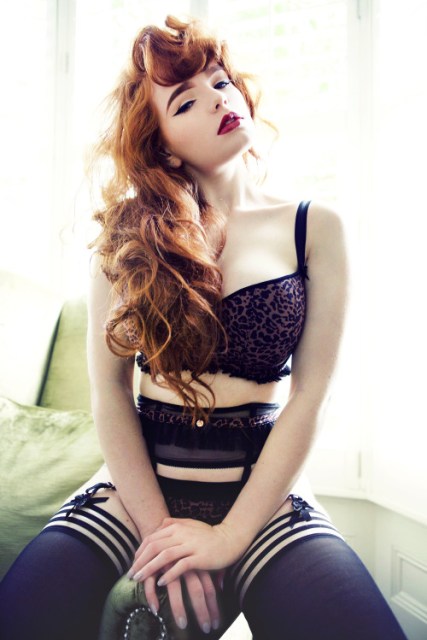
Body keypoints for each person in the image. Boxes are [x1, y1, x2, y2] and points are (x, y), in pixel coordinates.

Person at [0, 15, 406, 640]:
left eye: (220, 82)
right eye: (185, 101)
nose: (217, 99)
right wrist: (162, 534)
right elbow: (110, 392)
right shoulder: (129, 235)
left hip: (260, 494)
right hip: (136, 493)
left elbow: (312, 396)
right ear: (162, 143)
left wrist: (228, 537)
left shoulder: (315, 226)